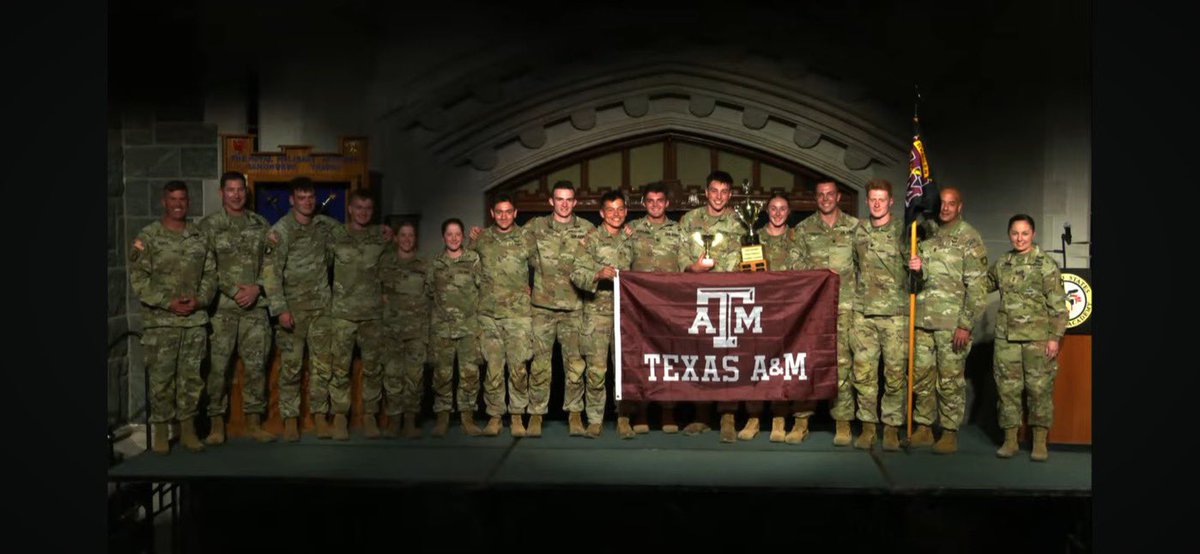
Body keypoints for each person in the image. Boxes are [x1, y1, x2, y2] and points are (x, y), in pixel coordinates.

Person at [129, 180, 217, 454]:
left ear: (188, 202)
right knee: (161, 379)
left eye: (183, 199)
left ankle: (188, 430)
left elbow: (211, 274)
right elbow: (138, 278)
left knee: (191, 378)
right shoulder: (149, 237)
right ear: (164, 202)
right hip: (161, 322)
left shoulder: (199, 236)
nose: (178, 204)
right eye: (173, 199)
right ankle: (161, 433)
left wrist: (200, 299)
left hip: (193, 321)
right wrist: (167, 302)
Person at [906, 186, 988, 454]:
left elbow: (977, 288)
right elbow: (921, 279)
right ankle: (924, 427)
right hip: (923, 320)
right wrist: (917, 271)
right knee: (921, 377)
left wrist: (965, 324)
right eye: (942, 203)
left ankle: (950, 431)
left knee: (950, 380)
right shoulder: (926, 232)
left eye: (951, 203)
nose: (945, 208)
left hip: (952, 324)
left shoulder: (969, 238)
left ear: (959, 206)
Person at [198, 171, 276, 445]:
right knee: (218, 370)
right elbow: (204, 267)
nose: (236, 194)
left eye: (240, 189)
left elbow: (272, 264)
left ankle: (254, 423)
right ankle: (216, 425)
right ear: (222, 193)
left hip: (255, 309)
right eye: (230, 190)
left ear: (246, 192)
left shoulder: (260, 223)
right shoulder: (209, 226)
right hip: (222, 311)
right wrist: (232, 290)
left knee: (256, 367)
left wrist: (257, 288)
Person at [261, 177, 339, 442]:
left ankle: (319, 417)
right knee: (291, 369)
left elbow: (346, 239)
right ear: (292, 200)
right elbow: (270, 274)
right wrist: (281, 309)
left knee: (322, 367)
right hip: (292, 312)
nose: (307, 202)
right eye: (301, 197)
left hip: (320, 310)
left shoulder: (322, 227)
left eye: (310, 197)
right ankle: (290, 419)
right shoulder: (279, 231)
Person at [311, 189, 392, 440]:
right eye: (358, 207)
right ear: (349, 208)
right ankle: (340, 418)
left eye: (368, 208)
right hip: (342, 315)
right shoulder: (336, 236)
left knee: (373, 369)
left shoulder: (381, 237)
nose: (363, 212)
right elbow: (322, 268)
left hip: (373, 316)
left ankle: (370, 416)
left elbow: (389, 272)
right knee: (340, 370)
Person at [987, 214, 1068, 461]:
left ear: (1033, 234)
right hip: (1006, 339)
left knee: (1039, 390)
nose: (1019, 238)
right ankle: (1010, 440)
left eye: (1024, 233)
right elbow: (981, 285)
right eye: (1015, 233)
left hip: (1038, 340)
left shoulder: (1045, 265)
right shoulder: (1002, 263)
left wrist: (1054, 337)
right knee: (1007, 390)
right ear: (1009, 235)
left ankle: (1039, 443)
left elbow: (1059, 307)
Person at [676, 171, 746, 443]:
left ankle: (727, 416)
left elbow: (748, 255)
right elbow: (680, 256)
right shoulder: (690, 220)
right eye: (714, 190)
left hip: (730, 298)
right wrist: (693, 267)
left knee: (728, 358)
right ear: (706, 192)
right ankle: (702, 414)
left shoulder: (740, 222)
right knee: (700, 357)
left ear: (730, 194)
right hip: (698, 299)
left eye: (724, 191)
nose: (719, 196)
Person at [789, 180, 860, 446]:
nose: (826, 198)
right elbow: (795, 265)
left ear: (838, 196)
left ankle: (842, 423)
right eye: (821, 195)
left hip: (845, 306)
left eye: (830, 194)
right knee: (807, 362)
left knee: (842, 364)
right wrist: (819, 273)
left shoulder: (855, 227)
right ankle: (801, 420)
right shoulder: (804, 229)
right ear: (815, 198)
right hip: (813, 309)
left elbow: (864, 265)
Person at [524, 181, 594, 436]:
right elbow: (512, 252)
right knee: (540, 365)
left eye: (569, 199)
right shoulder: (535, 227)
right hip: (542, 308)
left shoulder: (587, 229)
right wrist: (480, 236)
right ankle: (536, 415)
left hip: (574, 308)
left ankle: (575, 414)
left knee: (575, 366)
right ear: (551, 201)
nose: (564, 204)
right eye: (559, 199)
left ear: (575, 202)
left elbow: (599, 256)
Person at [468, 195, 536, 436]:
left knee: (518, 369)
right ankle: (495, 416)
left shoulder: (526, 237)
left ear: (515, 213)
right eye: (499, 212)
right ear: (492, 213)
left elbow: (545, 269)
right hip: (488, 315)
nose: (504, 216)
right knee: (494, 369)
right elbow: (468, 268)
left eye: (509, 211)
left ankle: (517, 417)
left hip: (518, 315)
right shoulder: (481, 239)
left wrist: (532, 289)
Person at [849, 179, 908, 451]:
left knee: (895, 374)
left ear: (891, 202)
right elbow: (851, 266)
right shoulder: (858, 230)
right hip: (863, 313)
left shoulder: (904, 230)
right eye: (872, 198)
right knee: (863, 373)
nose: (876, 203)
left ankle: (892, 428)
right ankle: (868, 427)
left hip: (895, 314)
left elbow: (920, 269)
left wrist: (918, 265)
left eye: (881, 199)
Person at [570, 190, 633, 438]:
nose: (615, 214)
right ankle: (595, 419)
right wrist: (598, 274)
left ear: (626, 212)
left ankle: (624, 417)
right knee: (596, 371)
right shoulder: (591, 240)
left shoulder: (632, 239)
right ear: (601, 213)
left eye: (620, 209)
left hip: (627, 315)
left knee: (625, 370)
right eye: (610, 210)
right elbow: (576, 273)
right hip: (596, 314)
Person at [624, 182, 686, 433]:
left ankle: (668, 412)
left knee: (668, 360)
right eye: (650, 201)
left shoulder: (678, 230)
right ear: (644, 204)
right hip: (639, 307)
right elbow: (622, 261)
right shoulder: (632, 230)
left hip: (668, 306)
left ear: (667, 203)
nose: (655, 205)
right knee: (641, 359)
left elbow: (685, 263)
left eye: (660, 200)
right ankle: (641, 411)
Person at [739, 193, 796, 442]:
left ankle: (779, 417)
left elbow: (806, 273)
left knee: (781, 367)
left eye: (782, 208)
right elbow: (737, 272)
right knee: (754, 365)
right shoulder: (753, 237)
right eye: (773, 208)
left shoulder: (798, 238)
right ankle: (753, 417)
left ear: (789, 211)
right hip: (756, 313)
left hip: (787, 313)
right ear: (766, 211)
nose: (777, 213)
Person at [426, 218, 484, 437]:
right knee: (442, 375)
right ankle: (442, 417)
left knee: (470, 375)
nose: (453, 238)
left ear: (463, 236)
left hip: (469, 328)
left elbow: (483, 287)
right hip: (442, 329)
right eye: (449, 234)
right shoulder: (435, 263)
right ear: (443, 237)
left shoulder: (473, 260)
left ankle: (467, 418)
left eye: (457, 234)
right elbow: (429, 293)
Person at [380, 220, 430, 438]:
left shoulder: (424, 264)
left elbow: (433, 295)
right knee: (392, 377)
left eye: (411, 235)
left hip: (417, 332)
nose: (407, 239)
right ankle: (394, 420)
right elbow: (377, 292)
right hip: (391, 331)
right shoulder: (385, 263)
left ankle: (410, 420)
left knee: (414, 378)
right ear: (396, 238)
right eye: (403, 235)